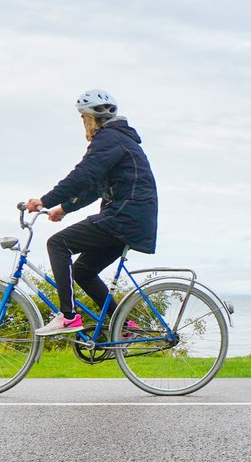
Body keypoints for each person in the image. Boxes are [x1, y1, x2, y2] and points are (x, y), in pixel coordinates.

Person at [26, 89, 159, 336]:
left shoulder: (110, 139)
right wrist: (63, 208)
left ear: (91, 118)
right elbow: (94, 187)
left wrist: (44, 200)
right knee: (83, 271)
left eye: (82, 118)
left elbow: (83, 175)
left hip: (124, 216)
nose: (83, 124)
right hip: (132, 218)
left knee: (57, 243)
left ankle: (67, 317)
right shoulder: (119, 140)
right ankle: (124, 324)